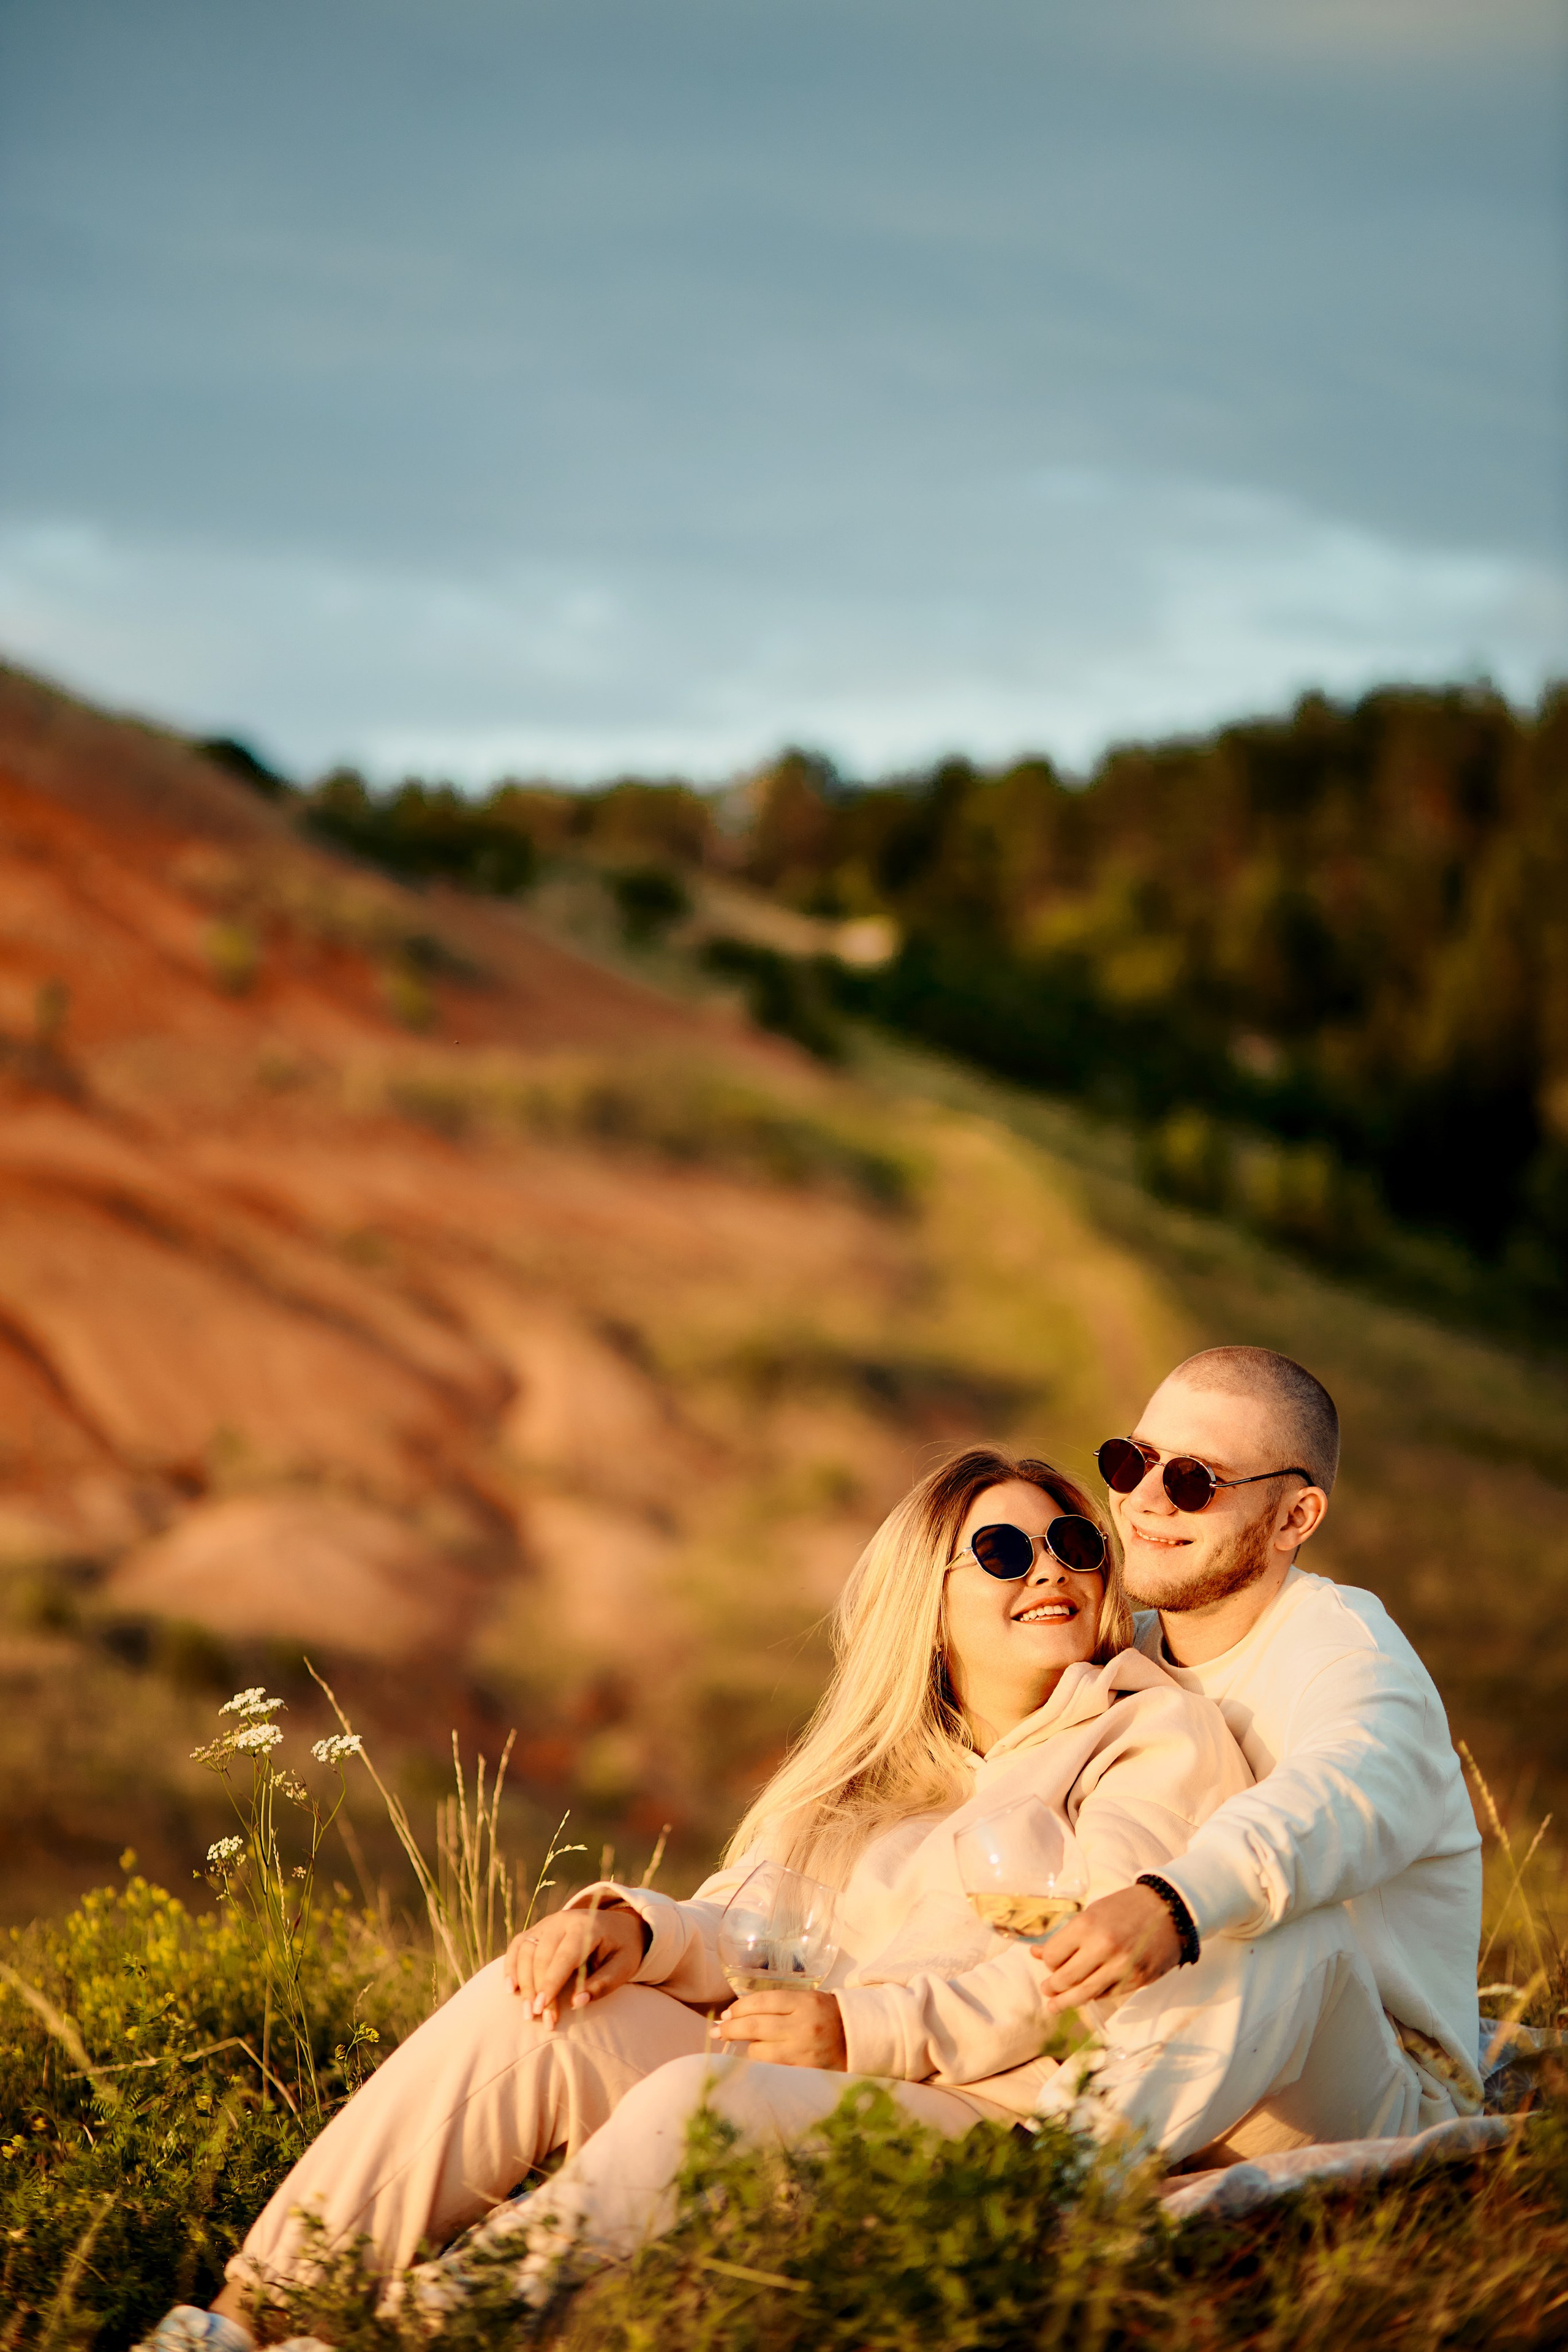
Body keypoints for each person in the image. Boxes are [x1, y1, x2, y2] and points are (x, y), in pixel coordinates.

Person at [153, 1444, 1248, 2345]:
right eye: (1005, 1550)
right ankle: (241, 2320)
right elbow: (766, 1932)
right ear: (930, 1597)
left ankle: (404, 2338)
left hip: (1001, 2123)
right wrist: (638, 1928)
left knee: (699, 2105)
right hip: (813, 2081)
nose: (1049, 1569)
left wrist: (853, 2031)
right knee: (545, 2007)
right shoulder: (875, 1780)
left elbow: (1092, 1968)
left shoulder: (1146, 1732)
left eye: (1072, 1544)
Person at [1026, 1345, 1483, 2162]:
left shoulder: (1352, 1657)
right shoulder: (1121, 1656)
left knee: (1287, 1934)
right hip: (1156, 2047)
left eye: (1196, 1480)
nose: (1146, 1501)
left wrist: (1173, 1902)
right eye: (1132, 1462)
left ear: (1294, 1520)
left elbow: (1341, 1792)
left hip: (1368, 2079)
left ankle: (1038, 2191)